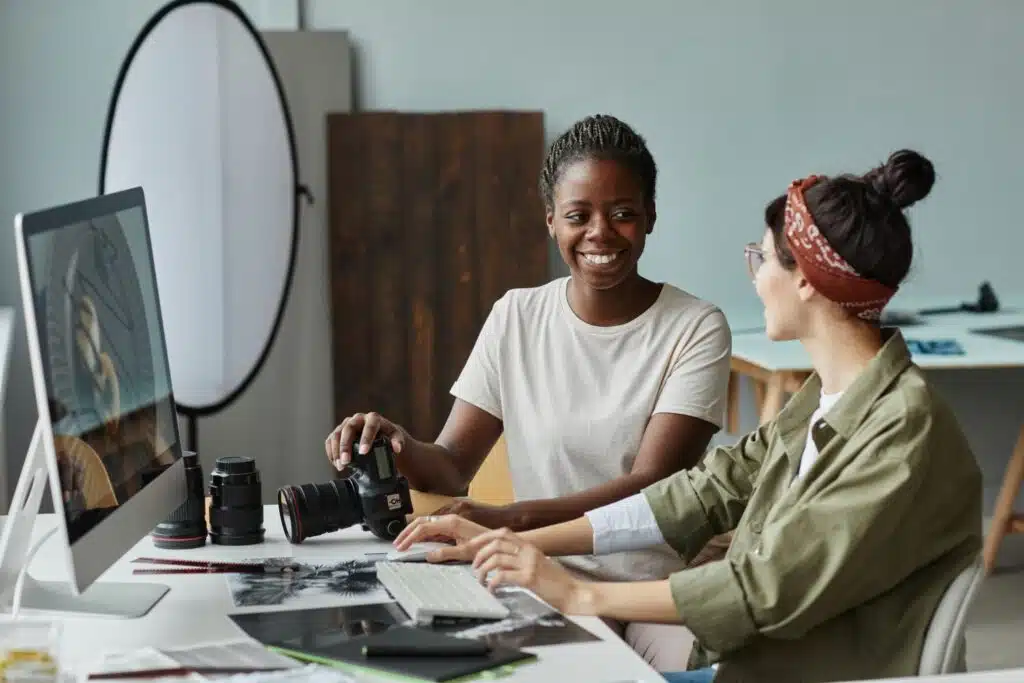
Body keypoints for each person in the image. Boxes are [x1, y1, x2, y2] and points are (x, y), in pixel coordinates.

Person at [393, 150, 984, 683]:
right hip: (770, 654)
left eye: (761, 258)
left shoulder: (902, 427)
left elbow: (764, 588)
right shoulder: (827, 399)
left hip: (816, 668)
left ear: (805, 278)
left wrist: (578, 594)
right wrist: (509, 541)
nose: (755, 275)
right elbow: (698, 494)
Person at [325, 114, 733, 669]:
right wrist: (396, 443)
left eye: (623, 213)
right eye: (578, 215)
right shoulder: (516, 315)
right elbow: (449, 468)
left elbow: (652, 486)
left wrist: (510, 519)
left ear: (650, 217)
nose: (600, 233)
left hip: (649, 589)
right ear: (550, 221)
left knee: (707, 671)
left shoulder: (695, 326)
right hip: (538, 575)